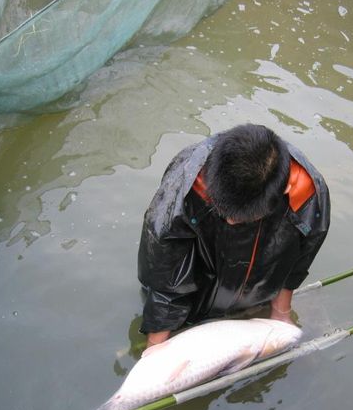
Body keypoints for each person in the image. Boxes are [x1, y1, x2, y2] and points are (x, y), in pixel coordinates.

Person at [137, 124, 330, 347]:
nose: (229, 221)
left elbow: (299, 261)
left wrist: (281, 311)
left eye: (240, 217)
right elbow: (165, 276)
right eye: (222, 211)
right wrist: (156, 347)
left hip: (257, 288)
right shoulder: (185, 187)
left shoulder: (307, 193)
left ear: (283, 191)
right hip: (198, 292)